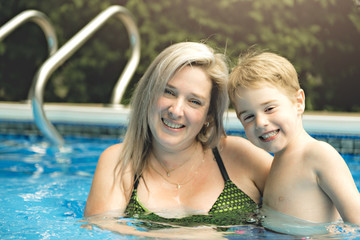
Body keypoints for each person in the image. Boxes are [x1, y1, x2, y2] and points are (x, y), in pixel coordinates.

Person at [84, 42, 272, 227]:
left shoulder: (239, 156)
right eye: (168, 92)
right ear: (148, 94)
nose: (176, 110)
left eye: (194, 101)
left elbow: (296, 191)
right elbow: (99, 233)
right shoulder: (120, 162)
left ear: (209, 116)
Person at [228, 50, 360, 235]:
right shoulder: (277, 162)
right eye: (248, 116)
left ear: (298, 102)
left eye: (269, 108)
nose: (260, 122)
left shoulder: (318, 155)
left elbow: (357, 222)